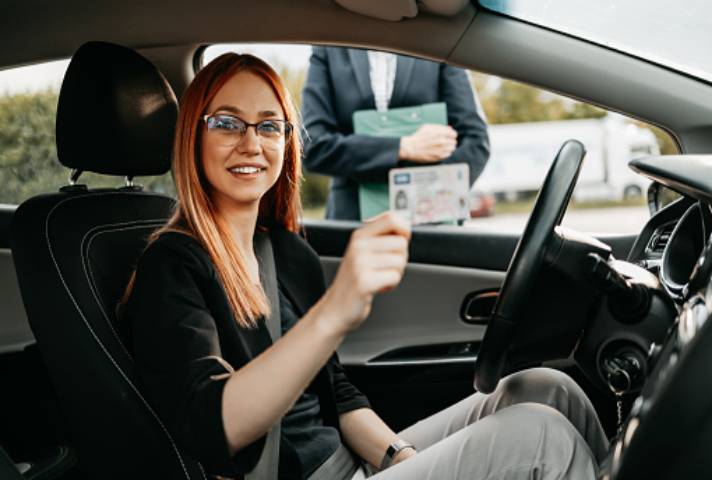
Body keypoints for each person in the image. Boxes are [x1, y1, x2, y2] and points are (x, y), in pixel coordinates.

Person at [119, 53, 607, 480]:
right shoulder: (171, 266)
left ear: (287, 141)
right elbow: (213, 427)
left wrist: (400, 456)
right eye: (227, 122)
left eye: (270, 125)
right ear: (192, 135)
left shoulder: (287, 253)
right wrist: (334, 312)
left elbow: (337, 393)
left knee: (544, 387)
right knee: (540, 438)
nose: (252, 143)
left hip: (351, 464)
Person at [301, 46, 490, 220]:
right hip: (351, 220)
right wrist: (403, 147)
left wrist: (429, 194)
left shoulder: (438, 44)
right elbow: (313, 146)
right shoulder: (329, 48)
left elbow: (476, 140)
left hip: (431, 218)